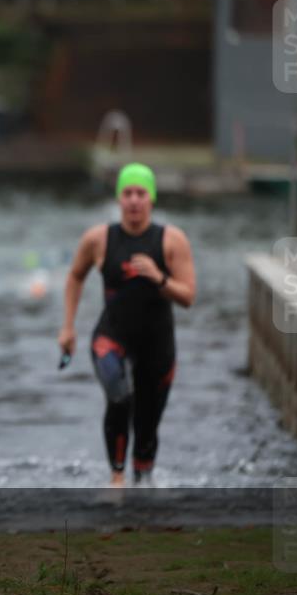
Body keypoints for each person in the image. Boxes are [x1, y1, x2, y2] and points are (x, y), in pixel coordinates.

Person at [58, 164, 195, 487]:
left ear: (152, 199)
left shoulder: (171, 241)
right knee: (119, 398)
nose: (134, 200)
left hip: (157, 345)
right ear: (119, 198)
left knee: (147, 423)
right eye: (128, 193)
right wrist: (67, 327)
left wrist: (158, 277)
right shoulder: (99, 239)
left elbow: (188, 297)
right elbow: (76, 276)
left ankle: (142, 479)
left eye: (141, 193)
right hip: (112, 337)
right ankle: (116, 478)